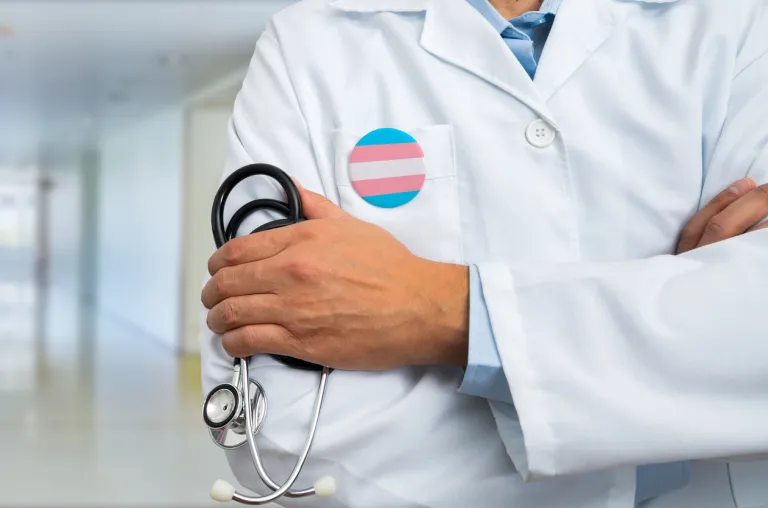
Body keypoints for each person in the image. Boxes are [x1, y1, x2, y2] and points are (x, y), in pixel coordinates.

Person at [199, 0, 768, 506]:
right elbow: (286, 423)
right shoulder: (310, 42)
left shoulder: (740, 22)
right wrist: (690, 319)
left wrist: (444, 311)